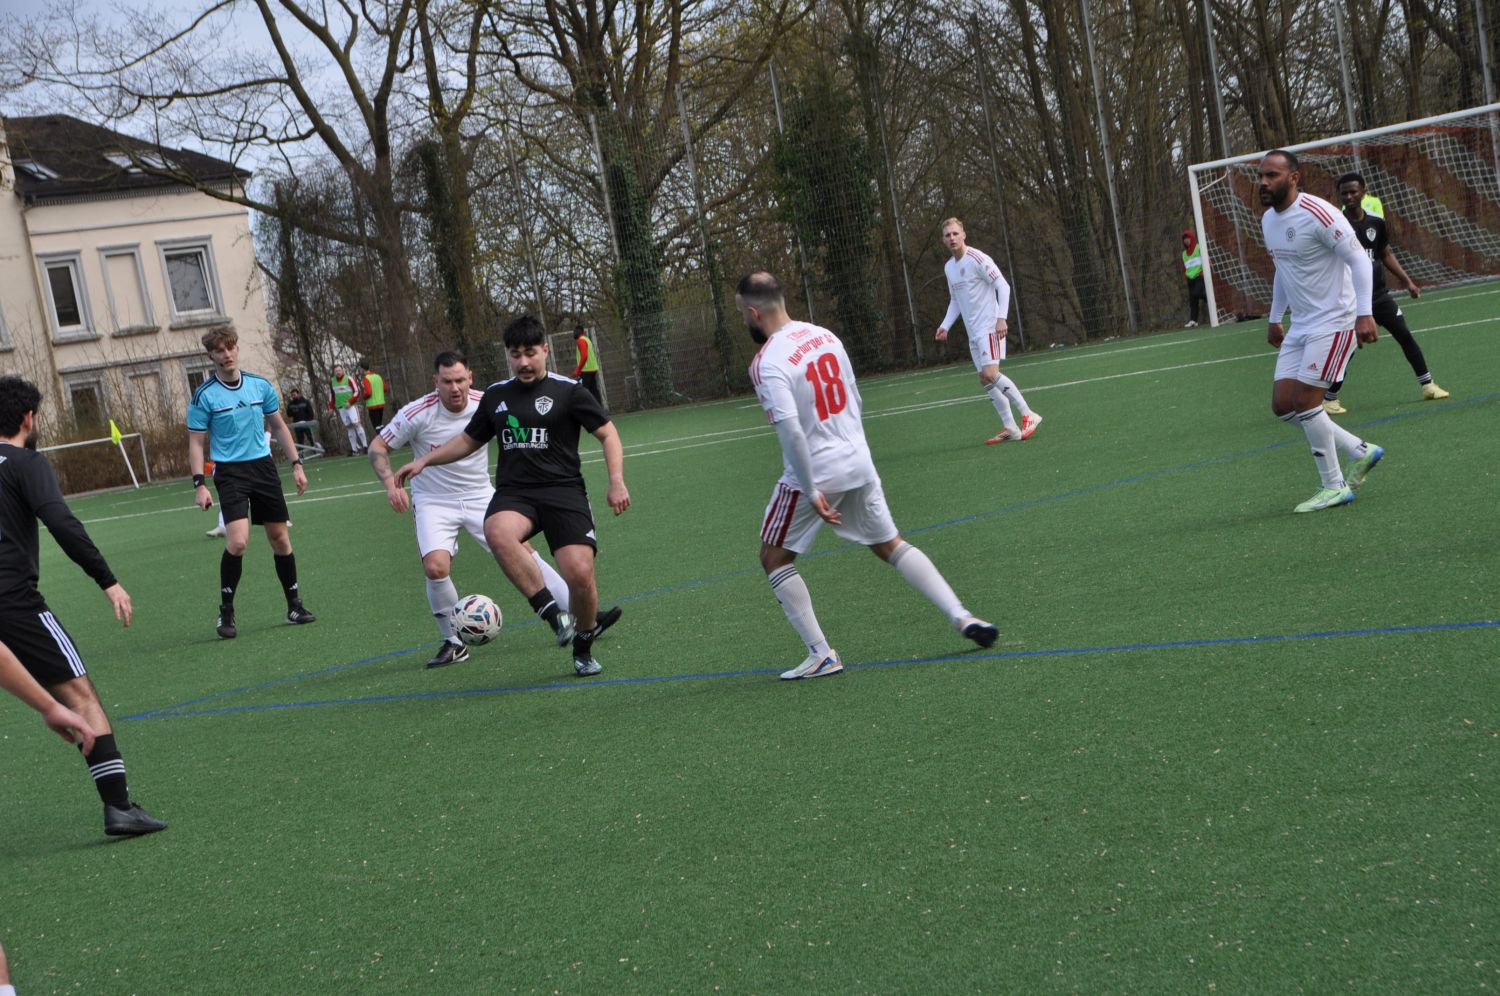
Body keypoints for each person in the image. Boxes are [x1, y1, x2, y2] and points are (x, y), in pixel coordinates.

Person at [737, 272, 999, 680]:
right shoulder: (824, 336)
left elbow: (791, 431)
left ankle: (821, 654)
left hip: (815, 471)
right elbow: (854, 398)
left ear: (754, 313)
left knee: (773, 557)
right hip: (857, 458)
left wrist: (811, 489)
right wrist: (856, 453)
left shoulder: (766, 362)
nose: (743, 320)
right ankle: (962, 615)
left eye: (742, 313)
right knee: (889, 544)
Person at [396, 317, 631, 677]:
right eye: (515, 354)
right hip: (516, 493)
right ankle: (553, 615)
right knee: (497, 530)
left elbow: (609, 434)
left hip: (564, 492)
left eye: (530, 353)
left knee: (580, 574)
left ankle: (583, 646)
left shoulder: (569, 392)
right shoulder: (496, 396)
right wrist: (425, 460)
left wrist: (616, 481)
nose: (523, 362)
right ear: (508, 355)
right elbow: (468, 440)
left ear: (545, 350)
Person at [0, 375, 165, 836]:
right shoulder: (26, 462)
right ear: (29, 418)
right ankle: (119, 807)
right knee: (77, 694)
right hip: (14, 603)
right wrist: (108, 581)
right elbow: (62, 523)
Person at [1258, 150, 1385, 513]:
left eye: (1272, 175)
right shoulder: (1268, 220)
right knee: (1283, 405)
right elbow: (1283, 269)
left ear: (1294, 178)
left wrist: (1364, 314)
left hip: (1335, 321)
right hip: (1302, 324)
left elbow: (1359, 259)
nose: (1264, 182)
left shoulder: (1319, 213)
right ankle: (1360, 450)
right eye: (1261, 176)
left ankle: (1334, 486)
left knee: (1306, 402)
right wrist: (1275, 317)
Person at [187, 326, 317, 638]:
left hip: (262, 468)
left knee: (280, 538)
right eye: (220, 350)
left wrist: (297, 465)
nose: (227, 354)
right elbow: (196, 442)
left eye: (230, 347)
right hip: (230, 472)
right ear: (211, 356)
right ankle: (226, 612)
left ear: (237, 349)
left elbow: (279, 427)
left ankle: (294, 605)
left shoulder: (259, 386)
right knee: (238, 542)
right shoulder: (204, 395)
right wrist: (199, 484)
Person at [1320, 172, 1450, 415]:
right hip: (1351, 299)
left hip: (1379, 295)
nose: (1349, 197)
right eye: (1344, 193)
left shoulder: (1376, 223)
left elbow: (1385, 253)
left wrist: (1407, 282)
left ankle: (1428, 385)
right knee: (1348, 348)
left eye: (1353, 191)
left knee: (1404, 335)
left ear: (1363, 192)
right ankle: (1329, 399)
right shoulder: (1336, 226)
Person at [935, 218, 1041, 445]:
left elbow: (1003, 285)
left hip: (989, 327)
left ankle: (1028, 413)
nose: (952, 238)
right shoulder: (949, 267)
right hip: (973, 332)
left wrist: (1001, 318)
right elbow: (955, 300)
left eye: (955, 233)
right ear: (943, 240)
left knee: (991, 374)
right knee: (985, 379)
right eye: (947, 235)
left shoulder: (978, 259)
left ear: (964, 234)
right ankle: (1010, 427)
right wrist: (945, 325)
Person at [329, 363, 366, 454]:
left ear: (342, 370)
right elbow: (331, 395)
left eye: (339, 370)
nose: (338, 372)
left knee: (357, 424)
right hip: (341, 407)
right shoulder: (332, 381)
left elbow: (357, 391)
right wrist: (331, 407)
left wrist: (350, 402)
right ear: (334, 372)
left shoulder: (349, 378)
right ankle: (354, 450)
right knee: (349, 427)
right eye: (336, 371)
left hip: (351, 406)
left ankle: (365, 446)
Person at [571, 324, 604, 405]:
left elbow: (584, 356)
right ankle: (599, 409)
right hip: (592, 369)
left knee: (581, 391)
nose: (574, 333)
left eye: (575, 331)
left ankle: (585, 410)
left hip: (586, 370)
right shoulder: (587, 339)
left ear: (579, 332)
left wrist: (578, 369)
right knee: (593, 391)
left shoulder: (581, 341)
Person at [1182, 229, 1208, 327]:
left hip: (1199, 276)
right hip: (1190, 278)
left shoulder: (1199, 248)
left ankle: (1211, 301)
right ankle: (1193, 320)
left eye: (1188, 238)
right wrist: (1186, 276)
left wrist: (1202, 272)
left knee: (1197, 293)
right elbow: (1184, 267)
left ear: (1192, 238)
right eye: (1184, 239)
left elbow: (1206, 260)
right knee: (1192, 300)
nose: (1186, 240)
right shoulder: (1184, 254)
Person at [359, 359, 388, 430]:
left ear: (362, 369)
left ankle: (383, 437)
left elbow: (368, 392)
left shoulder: (366, 378)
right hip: (381, 403)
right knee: (380, 425)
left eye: (359, 368)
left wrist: (364, 397)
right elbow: (385, 389)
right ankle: (385, 435)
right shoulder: (378, 376)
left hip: (372, 405)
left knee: (376, 426)